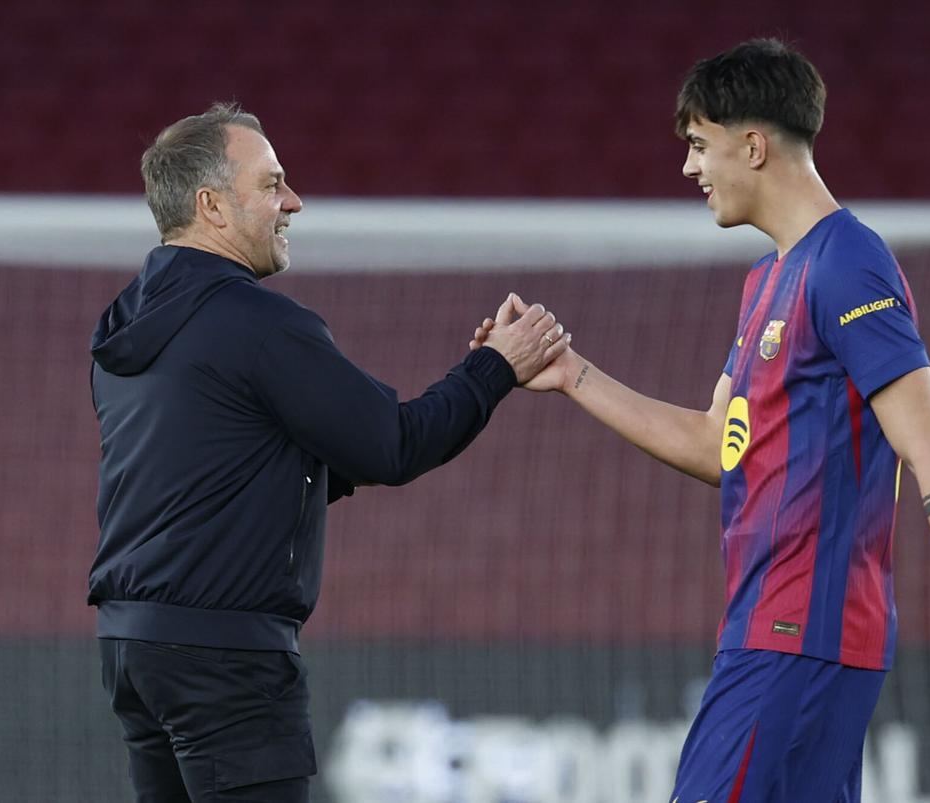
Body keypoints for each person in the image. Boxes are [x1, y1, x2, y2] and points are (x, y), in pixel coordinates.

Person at [472, 38, 930, 802]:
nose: (689, 168)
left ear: (752, 145)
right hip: (779, 629)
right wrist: (571, 374)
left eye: (698, 144)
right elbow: (719, 445)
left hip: (797, 635)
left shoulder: (849, 262)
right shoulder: (767, 283)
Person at [88, 102, 569, 802]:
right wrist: (495, 367)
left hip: (132, 651)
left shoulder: (118, 329)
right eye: (273, 183)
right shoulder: (260, 324)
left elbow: (232, 472)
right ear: (212, 206)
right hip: (227, 660)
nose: (294, 201)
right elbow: (393, 445)